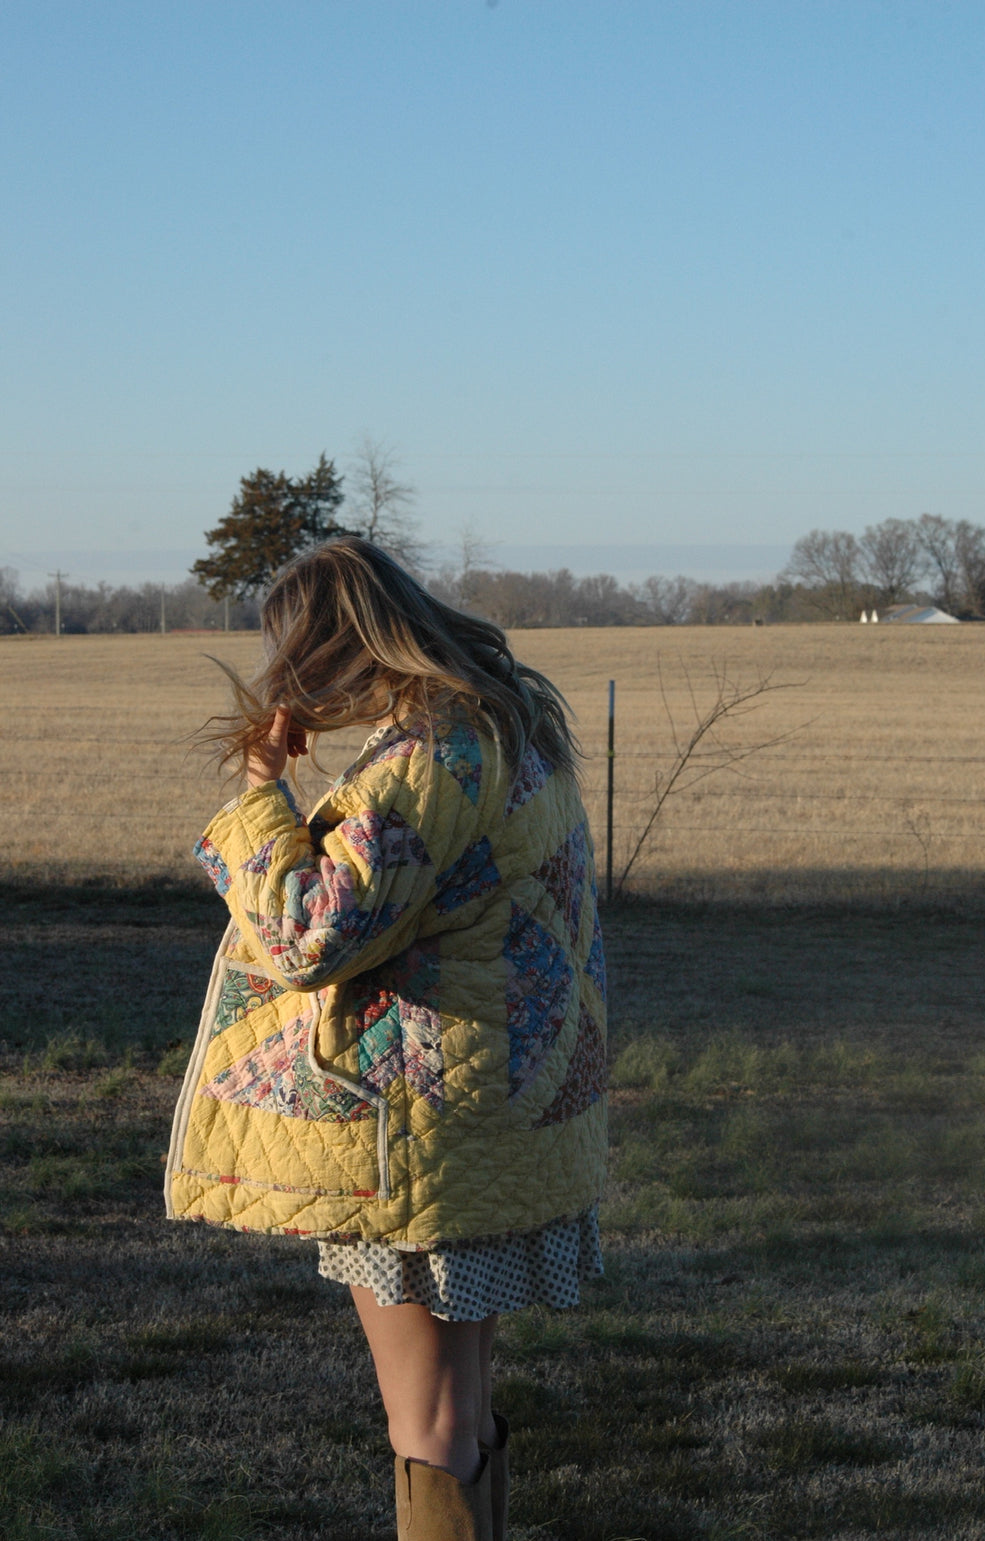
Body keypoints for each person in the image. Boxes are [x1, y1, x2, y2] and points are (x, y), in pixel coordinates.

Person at [165, 537, 608, 1541]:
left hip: (419, 1137)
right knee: (462, 1402)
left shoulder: (426, 759)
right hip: (494, 1118)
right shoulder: (510, 732)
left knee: (428, 1420)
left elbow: (305, 930)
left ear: (334, 647)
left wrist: (258, 795)